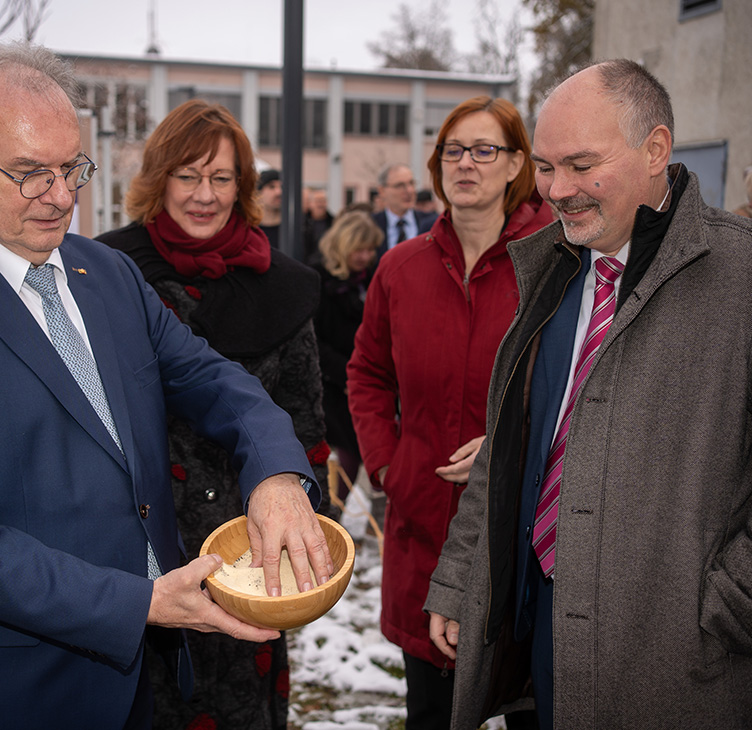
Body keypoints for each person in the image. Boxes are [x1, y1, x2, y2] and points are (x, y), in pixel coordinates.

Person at [0, 42, 334, 730]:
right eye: (31, 173)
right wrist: (140, 604)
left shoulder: (110, 275)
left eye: (73, 168)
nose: (62, 197)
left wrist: (275, 474)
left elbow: (214, 379)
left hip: (130, 686)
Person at [425, 60, 752, 730]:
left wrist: (726, 607)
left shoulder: (740, 278)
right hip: (540, 630)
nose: (556, 189)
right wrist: (461, 578)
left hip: (679, 664)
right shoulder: (550, 268)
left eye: (580, 164)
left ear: (656, 148)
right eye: (545, 166)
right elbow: (510, 445)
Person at [96, 99, 331, 730]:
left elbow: (304, 419)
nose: (204, 195)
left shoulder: (283, 285)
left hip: (248, 548)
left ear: (243, 187)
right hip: (139, 547)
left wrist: (310, 522)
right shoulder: (105, 272)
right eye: (187, 175)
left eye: (221, 178)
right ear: (158, 179)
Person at [347, 96, 552, 730]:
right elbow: (367, 375)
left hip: (521, 529)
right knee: (431, 711)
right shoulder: (400, 268)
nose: (466, 163)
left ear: (517, 162)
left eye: (485, 149)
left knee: (529, 704)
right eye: (452, 151)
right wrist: (388, 466)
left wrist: (507, 442)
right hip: (423, 523)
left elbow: (579, 384)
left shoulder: (556, 262)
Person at [313, 210, 384, 493]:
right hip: (332, 386)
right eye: (360, 249)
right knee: (343, 465)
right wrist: (347, 375)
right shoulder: (319, 280)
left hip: (363, 383)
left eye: (370, 249)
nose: (365, 256)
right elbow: (314, 341)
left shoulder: (370, 278)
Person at [372, 163, 437, 259]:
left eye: (411, 183)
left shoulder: (433, 224)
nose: (409, 190)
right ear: (382, 191)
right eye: (400, 185)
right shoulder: (372, 225)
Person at [302, 187, 334, 265]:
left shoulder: (334, 223)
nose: (320, 204)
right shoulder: (302, 223)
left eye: (323, 201)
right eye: (317, 201)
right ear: (310, 203)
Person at [257, 168, 283, 247]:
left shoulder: (298, 228)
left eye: (282, 187)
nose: (279, 192)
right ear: (258, 194)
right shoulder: (249, 229)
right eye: (271, 187)